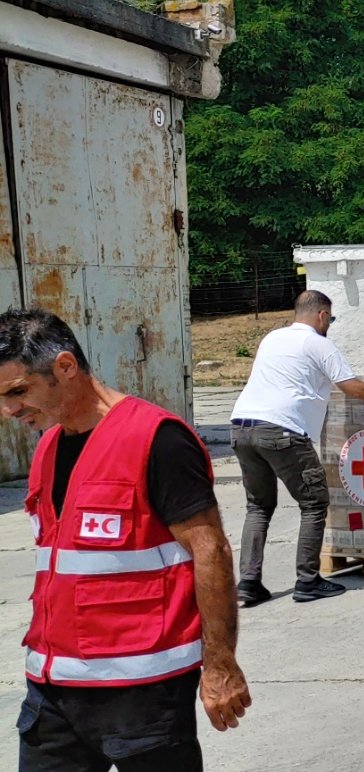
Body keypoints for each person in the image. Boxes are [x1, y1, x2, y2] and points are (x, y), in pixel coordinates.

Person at [2, 307, 250, 769]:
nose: (9, 409)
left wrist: (220, 664)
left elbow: (210, 551)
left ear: (65, 367)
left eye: (19, 391)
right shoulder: (49, 449)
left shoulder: (157, 440)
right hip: (53, 695)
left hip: (144, 697)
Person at [229, 291, 364, 606]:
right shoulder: (319, 344)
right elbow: (355, 388)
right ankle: (307, 580)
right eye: (330, 319)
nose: (329, 325)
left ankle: (249, 583)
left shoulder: (272, 338)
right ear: (322, 315)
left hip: (241, 428)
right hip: (282, 431)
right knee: (314, 502)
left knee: (258, 507)